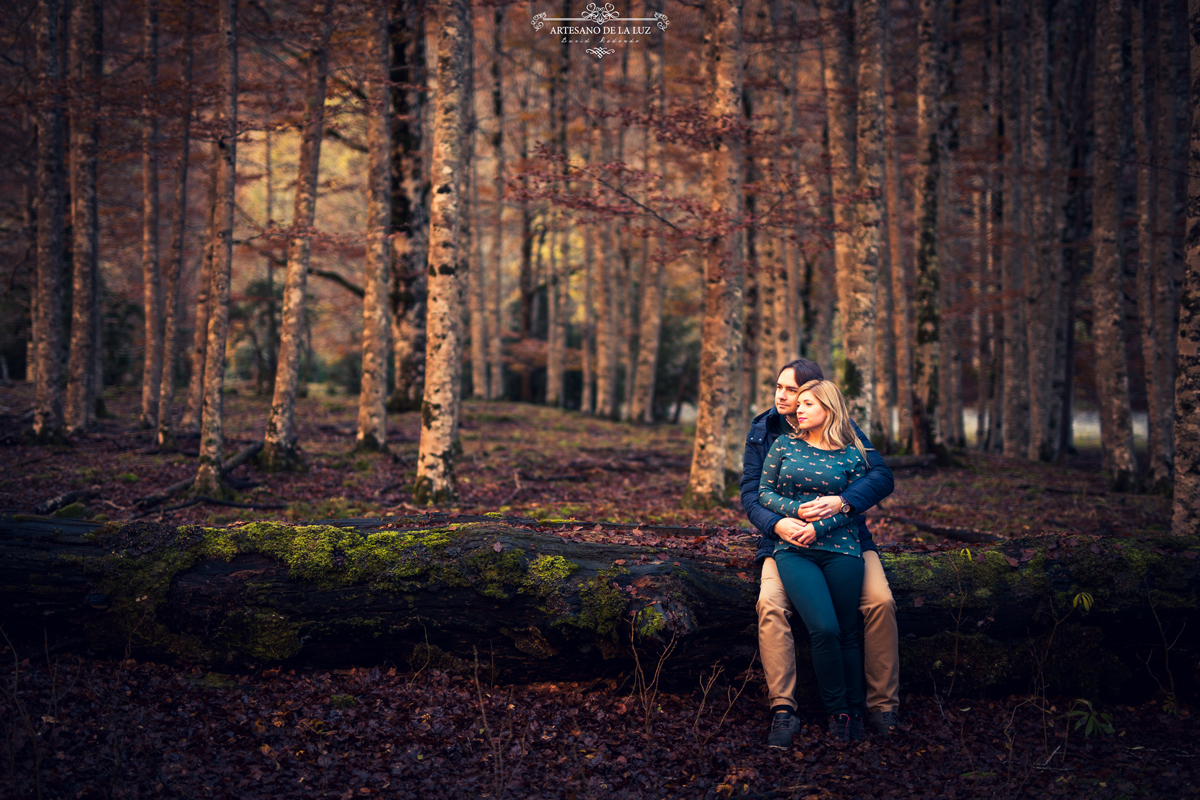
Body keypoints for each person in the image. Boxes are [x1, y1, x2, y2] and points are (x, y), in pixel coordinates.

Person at [740, 359, 898, 748]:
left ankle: (882, 706)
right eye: (779, 387)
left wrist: (841, 503)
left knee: (880, 603)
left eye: (791, 390)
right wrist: (777, 524)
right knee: (770, 605)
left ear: (818, 395)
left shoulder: (841, 427)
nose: (782, 396)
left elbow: (881, 477)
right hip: (785, 541)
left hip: (847, 539)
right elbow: (751, 492)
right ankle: (783, 709)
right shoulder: (765, 432)